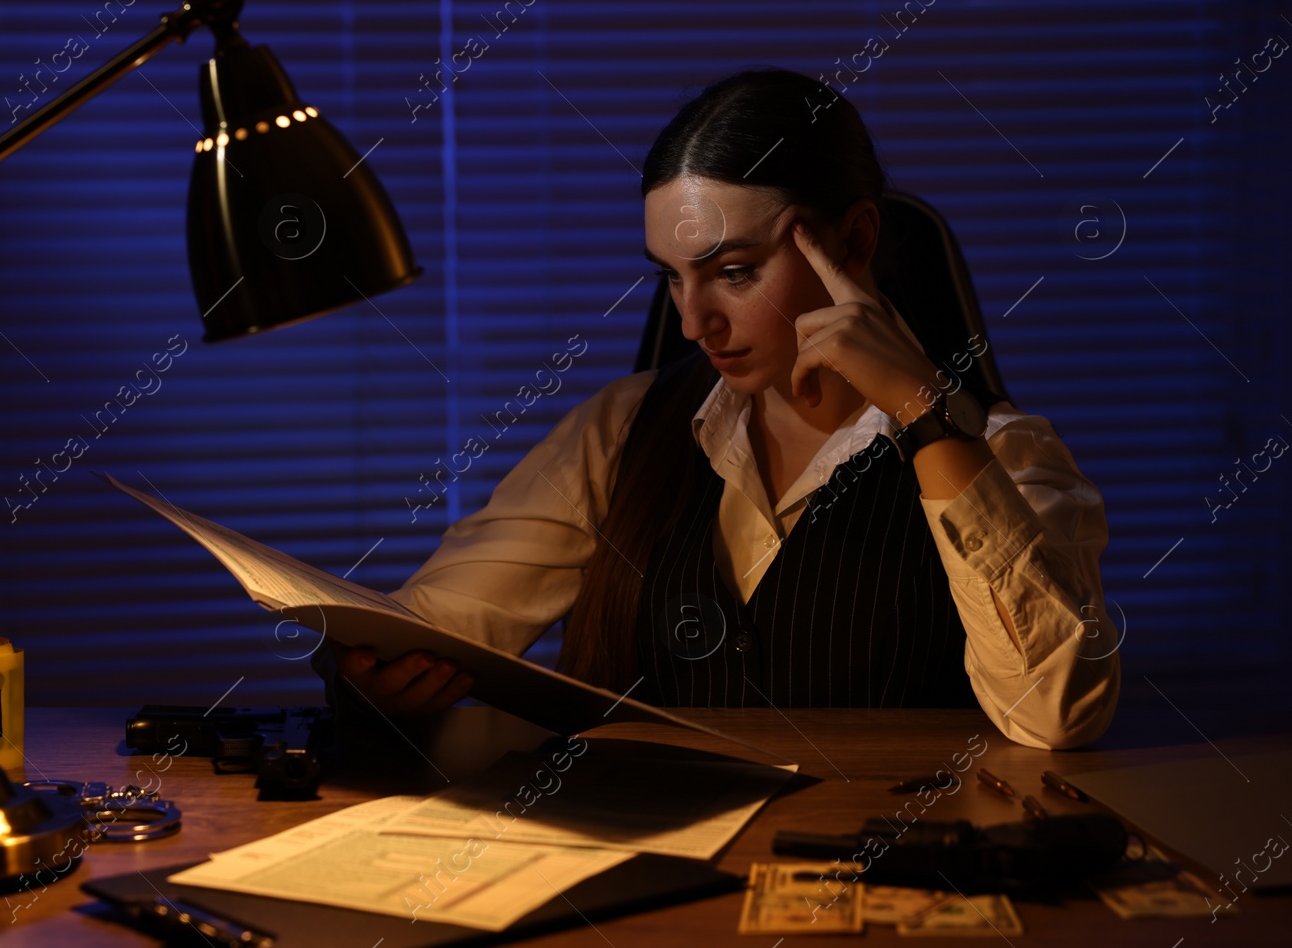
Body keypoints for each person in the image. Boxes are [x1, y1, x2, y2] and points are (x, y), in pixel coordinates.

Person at [333, 68, 1119, 750]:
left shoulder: (1004, 455)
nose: (691, 322)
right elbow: (434, 623)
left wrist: (922, 409)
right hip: (650, 883)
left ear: (854, 243)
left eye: (734, 271)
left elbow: (1056, 714)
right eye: (672, 277)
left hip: (875, 884)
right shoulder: (619, 428)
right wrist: (369, 667)